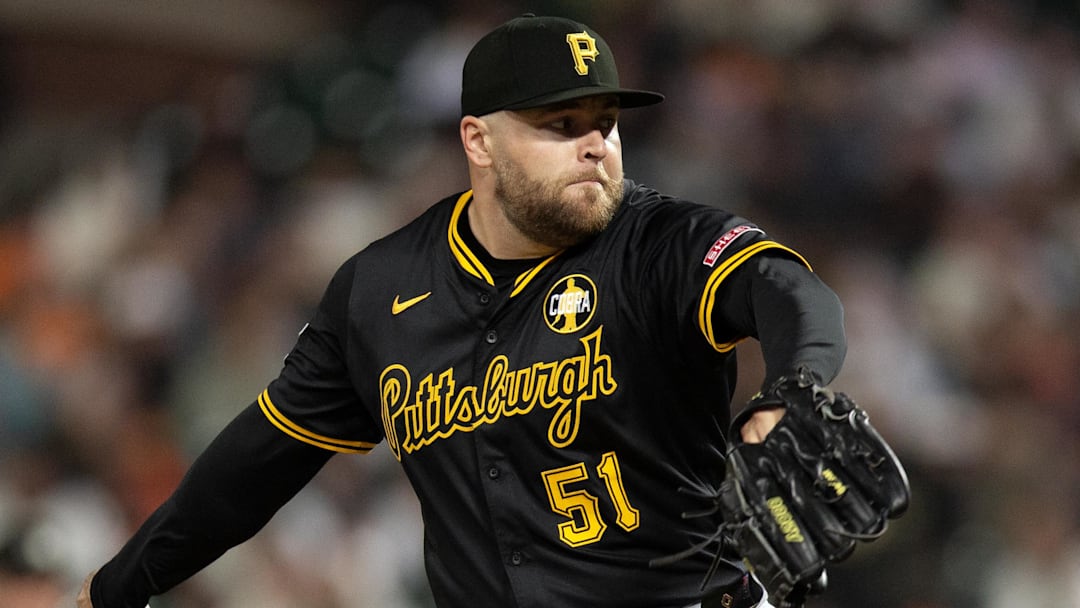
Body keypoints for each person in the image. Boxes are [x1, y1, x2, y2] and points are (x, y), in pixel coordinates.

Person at [77, 14, 846, 608]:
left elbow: (790, 294)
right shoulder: (381, 287)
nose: (596, 147)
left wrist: (790, 392)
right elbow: (259, 459)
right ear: (478, 140)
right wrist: (119, 585)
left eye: (604, 122)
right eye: (560, 125)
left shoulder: (662, 241)